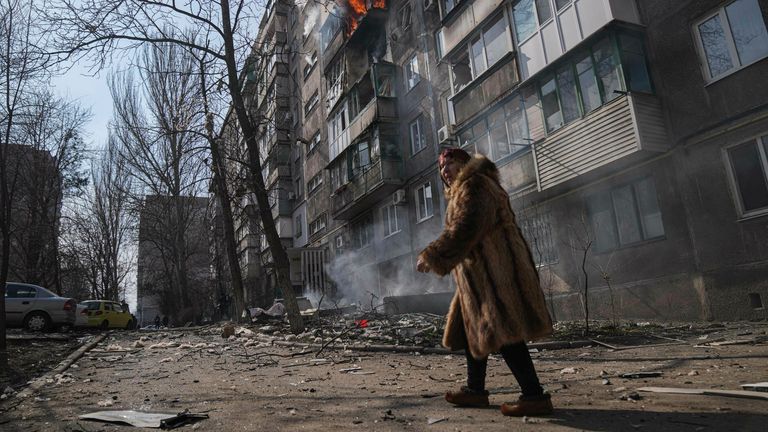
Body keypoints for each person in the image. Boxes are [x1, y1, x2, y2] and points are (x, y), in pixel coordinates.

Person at [416, 148, 554, 417]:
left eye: (450, 164)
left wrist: (433, 255)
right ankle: (475, 391)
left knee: (505, 331)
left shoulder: (475, 184)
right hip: (481, 276)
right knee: (471, 329)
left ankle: (534, 396)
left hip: (496, 273)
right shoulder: (466, 188)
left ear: (464, 164)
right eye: (442, 168)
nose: (445, 172)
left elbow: (467, 227)